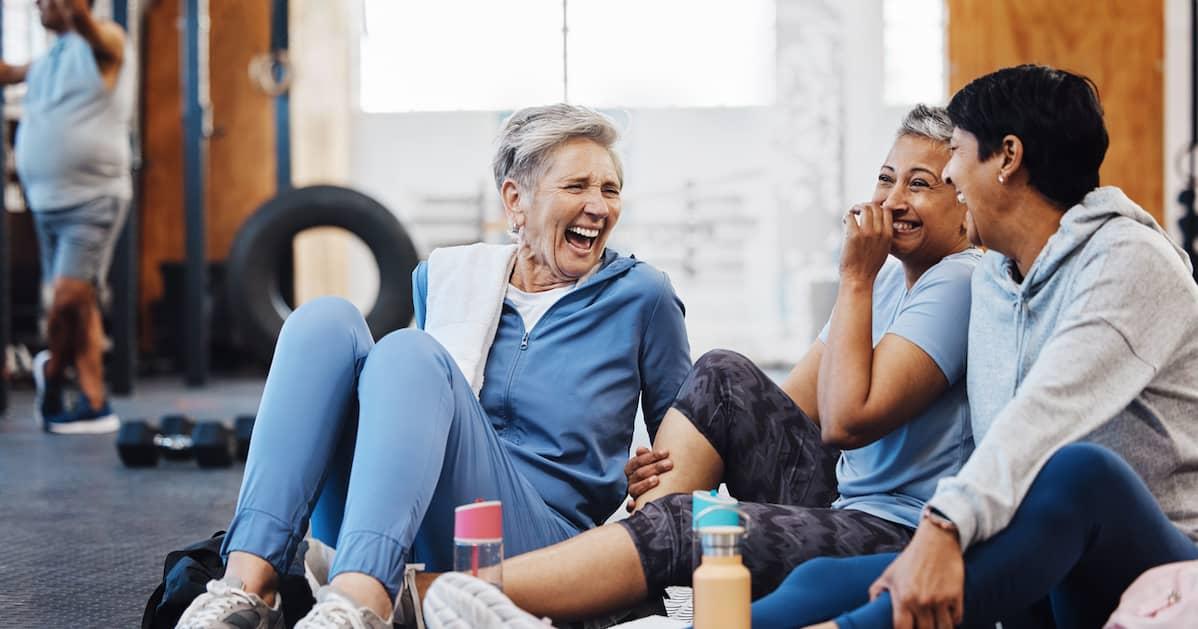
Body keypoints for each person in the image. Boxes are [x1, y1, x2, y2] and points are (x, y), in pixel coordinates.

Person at [422, 104, 983, 627]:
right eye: (887, 179)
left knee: (689, 527)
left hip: (898, 525)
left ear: (965, 203)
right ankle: (623, 556)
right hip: (841, 497)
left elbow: (845, 421)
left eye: (921, 185)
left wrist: (854, 276)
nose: (892, 201)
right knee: (722, 376)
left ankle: (440, 595)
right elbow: (781, 414)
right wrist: (670, 462)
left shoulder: (955, 280)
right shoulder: (886, 279)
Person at [175, 104, 692, 628]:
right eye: (577, 186)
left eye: (610, 189)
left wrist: (652, 485)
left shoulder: (642, 297)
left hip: (543, 547)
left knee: (409, 352)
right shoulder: (447, 278)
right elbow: (417, 417)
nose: (598, 206)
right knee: (324, 321)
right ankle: (247, 586)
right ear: (516, 200)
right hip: (412, 521)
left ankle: (362, 601)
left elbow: (692, 449)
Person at [747, 64, 1198, 629]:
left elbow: (1044, 418)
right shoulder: (994, 278)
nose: (951, 175)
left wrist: (941, 528)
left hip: (1156, 571)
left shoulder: (1130, 262)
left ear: (1007, 157)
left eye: (956, 152)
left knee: (1082, 470)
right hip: (1041, 565)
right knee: (825, 579)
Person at [0, 0, 131, 433]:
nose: (38, 4)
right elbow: (8, 72)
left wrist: (77, 14)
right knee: (81, 307)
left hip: (91, 200)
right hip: (46, 201)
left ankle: (51, 375)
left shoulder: (107, 39)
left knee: (66, 302)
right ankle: (94, 401)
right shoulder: (48, 59)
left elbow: (95, 33)